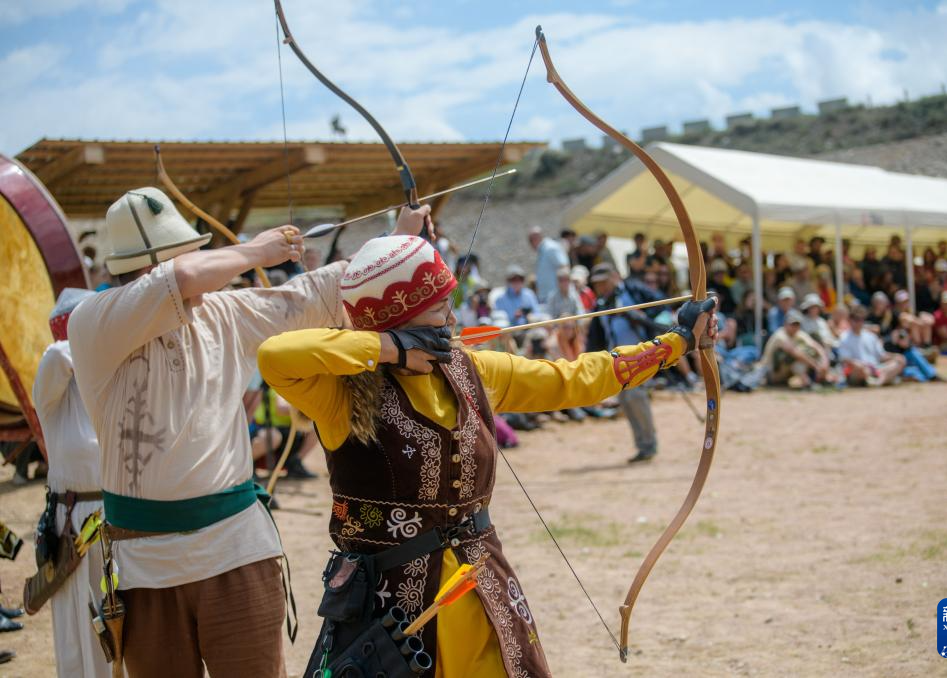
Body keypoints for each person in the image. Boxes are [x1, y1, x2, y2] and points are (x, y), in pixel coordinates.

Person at [257, 235, 717, 677]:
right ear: (401, 318)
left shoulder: (468, 368)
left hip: (480, 589)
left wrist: (677, 341)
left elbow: (573, 379)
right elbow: (275, 354)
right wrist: (389, 349)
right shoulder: (341, 393)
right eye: (438, 308)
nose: (451, 316)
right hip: (390, 611)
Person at [68, 187, 429, 677]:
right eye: (188, 252)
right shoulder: (93, 322)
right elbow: (181, 277)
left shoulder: (221, 312)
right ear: (151, 267)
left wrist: (399, 239)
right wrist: (258, 251)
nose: (202, 265)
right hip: (143, 566)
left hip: (235, 552)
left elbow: (315, 293)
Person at [31, 288, 110, 677]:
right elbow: (56, 356)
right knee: (79, 622)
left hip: (114, 515)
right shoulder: (53, 391)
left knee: (119, 615)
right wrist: (97, 342)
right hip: (74, 520)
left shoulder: (104, 386)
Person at [584, 263, 674, 462]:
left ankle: (649, 444)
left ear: (614, 277)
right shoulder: (600, 305)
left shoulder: (633, 289)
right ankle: (643, 445)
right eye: (597, 284)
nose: (601, 287)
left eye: (604, 282)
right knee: (626, 401)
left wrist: (641, 316)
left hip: (639, 356)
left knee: (636, 397)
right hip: (616, 360)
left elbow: (661, 307)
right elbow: (595, 338)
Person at [761, 310, 836, 389]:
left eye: (797, 324)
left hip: (784, 374)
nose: (795, 327)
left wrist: (824, 362)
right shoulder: (780, 335)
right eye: (792, 324)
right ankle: (807, 382)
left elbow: (816, 346)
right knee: (794, 357)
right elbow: (795, 352)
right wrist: (816, 366)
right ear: (785, 324)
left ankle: (823, 379)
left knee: (810, 351)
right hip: (769, 373)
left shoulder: (799, 334)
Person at [838, 306, 906, 386]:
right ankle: (881, 380)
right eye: (856, 319)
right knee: (860, 369)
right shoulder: (844, 337)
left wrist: (895, 356)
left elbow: (882, 356)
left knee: (900, 360)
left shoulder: (871, 336)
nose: (859, 322)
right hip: (858, 370)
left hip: (876, 368)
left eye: (861, 319)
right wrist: (860, 365)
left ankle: (877, 381)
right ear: (850, 320)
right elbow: (845, 359)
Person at [527, 226, 569, 303]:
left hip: (555, 298)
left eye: (530, 240)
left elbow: (564, 268)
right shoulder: (543, 250)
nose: (530, 244)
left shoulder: (550, 248)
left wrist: (564, 292)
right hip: (546, 296)